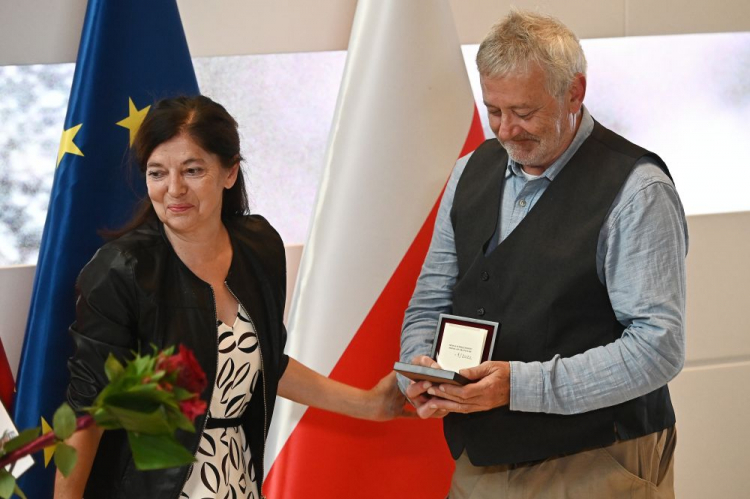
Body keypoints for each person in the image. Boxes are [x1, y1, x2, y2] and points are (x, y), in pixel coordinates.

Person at [55, 95, 407, 499]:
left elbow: (262, 361)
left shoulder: (259, 247)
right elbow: (87, 408)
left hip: (236, 477)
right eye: (157, 173)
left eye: (193, 170)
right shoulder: (120, 270)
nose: (174, 189)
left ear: (229, 172)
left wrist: (366, 404)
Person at [400, 9, 687, 499]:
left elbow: (657, 348)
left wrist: (518, 386)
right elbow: (432, 296)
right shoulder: (470, 170)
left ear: (575, 91)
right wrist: (420, 368)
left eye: (525, 112)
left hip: (596, 460)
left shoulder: (638, 191)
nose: (506, 131)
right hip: (482, 457)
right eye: (494, 110)